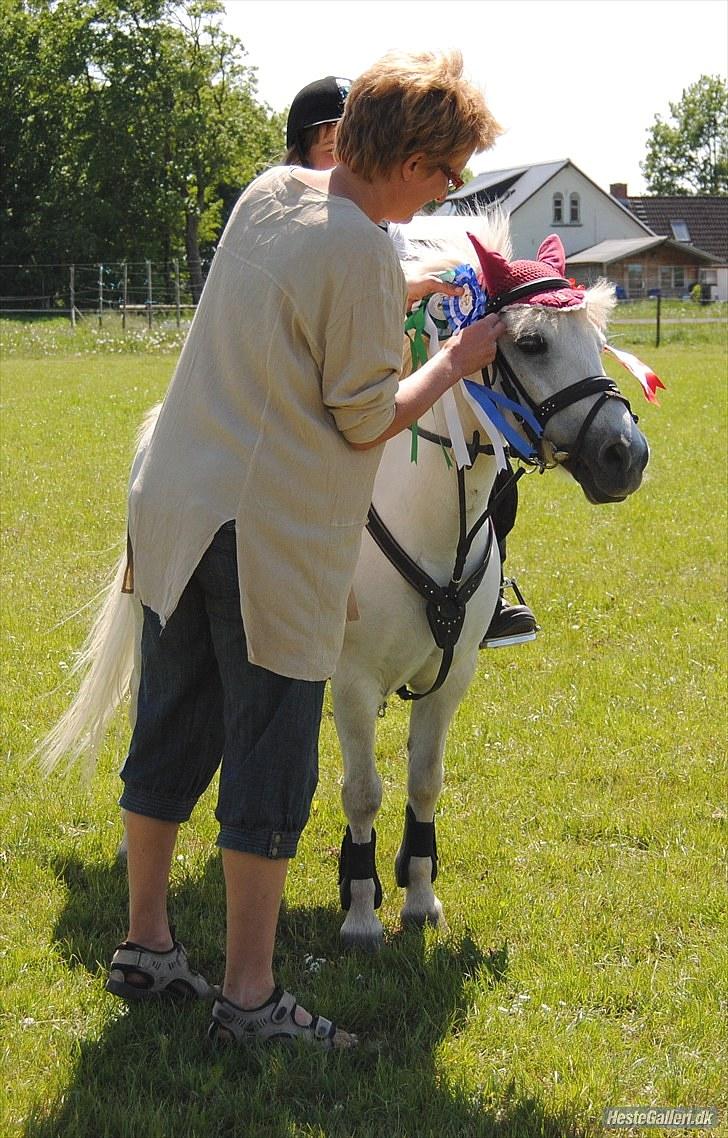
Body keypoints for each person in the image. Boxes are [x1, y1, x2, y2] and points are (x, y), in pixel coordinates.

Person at [106, 49, 504, 1051]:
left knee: (167, 736)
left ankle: (146, 943)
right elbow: (366, 417)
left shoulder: (272, 192)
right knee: (269, 765)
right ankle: (250, 996)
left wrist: (398, 287)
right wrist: (455, 359)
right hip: (265, 544)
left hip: (175, 511)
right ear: (411, 159)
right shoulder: (363, 257)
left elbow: (307, 301)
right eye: (447, 171)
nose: (446, 191)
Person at [285, 75, 538, 649]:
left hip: (396, 371)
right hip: (353, 390)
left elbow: (376, 288)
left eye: (339, 141)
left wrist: (422, 290)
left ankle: (486, 594)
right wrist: (447, 354)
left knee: (488, 468)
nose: (334, 156)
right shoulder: (329, 225)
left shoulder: (385, 228)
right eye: (324, 146)